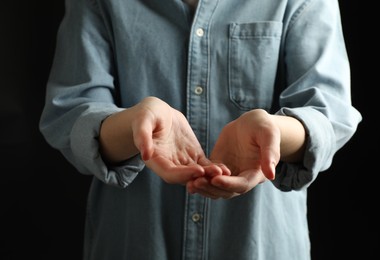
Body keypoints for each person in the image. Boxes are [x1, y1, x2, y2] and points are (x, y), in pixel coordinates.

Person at [39, 0, 362, 259]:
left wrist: (273, 133)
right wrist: (135, 125)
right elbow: (71, 112)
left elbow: (329, 111)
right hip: (133, 242)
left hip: (263, 246)